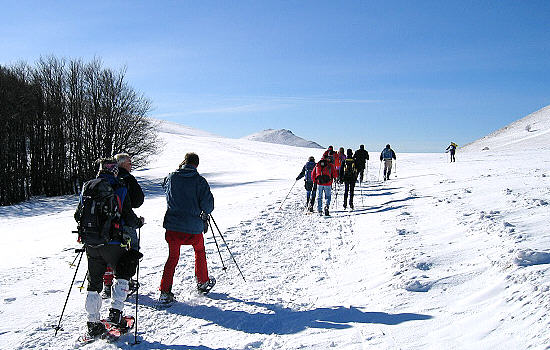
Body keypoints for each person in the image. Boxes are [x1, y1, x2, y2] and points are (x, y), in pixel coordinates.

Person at [78, 158, 144, 339]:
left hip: (91, 242)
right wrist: (139, 222)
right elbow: (128, 215)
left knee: (94, 283)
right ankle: (116, 313)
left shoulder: (88, 186)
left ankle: (93, 323)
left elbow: (78, 213)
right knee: (123, 273)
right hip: (113, 242)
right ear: (114, 170)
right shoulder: (119, 186)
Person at [159, 152, 215, 304]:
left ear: (184, 162)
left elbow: (165, 186)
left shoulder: (171, 177)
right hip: (192, 228)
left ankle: (165, 291)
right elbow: (208, 206)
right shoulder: (200, 181)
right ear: (196, 165)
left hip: (173, 226)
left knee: (172, 258)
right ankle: (203, 281)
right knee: (199, 250)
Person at [102, 153, 145, 299]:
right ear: (122, 164)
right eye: (129, 163)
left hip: (102, 225)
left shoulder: (99, 181)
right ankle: (125, 282)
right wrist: (137, 222)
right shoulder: (125, 179)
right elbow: (137, 201)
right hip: (123, 223)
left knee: (107, 252)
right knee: (131, 250)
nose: (131, 166)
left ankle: (107, 285)